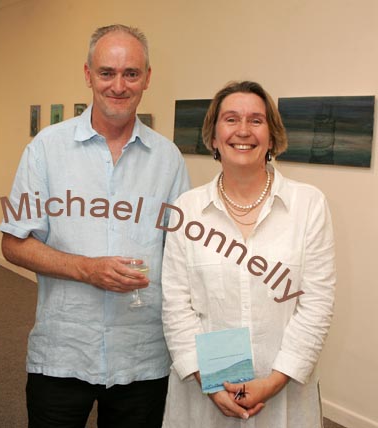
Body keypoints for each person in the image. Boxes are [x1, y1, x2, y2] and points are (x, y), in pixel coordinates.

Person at [0, 24, 190, 428]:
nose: (118, 85)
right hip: (63, 353)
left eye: (131, 74)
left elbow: (181, 255)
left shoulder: (168, 159)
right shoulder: (46, 150)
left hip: (143, 358)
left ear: (147, 78)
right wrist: (87, 269)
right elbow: (14, 244)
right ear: (88, 75)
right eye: (107, 73)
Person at [161, 81, 336, 427]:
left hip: (283, 393)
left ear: (272, 137)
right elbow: (176, 307)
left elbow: (316, 304)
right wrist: (211, 385)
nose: (243, 130)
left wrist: (273, 382)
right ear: (213, 136)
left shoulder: (308, 205)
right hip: (204, 395)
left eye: (256, 120)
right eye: (231, 119)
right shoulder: (187, 209)